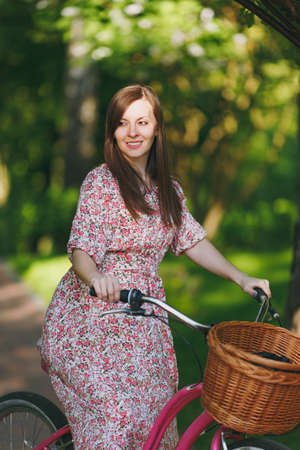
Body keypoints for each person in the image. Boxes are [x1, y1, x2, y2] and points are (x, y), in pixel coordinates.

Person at [40, 84, 271, 449]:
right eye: (122, 123)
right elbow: (81, 249)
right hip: (89, 321)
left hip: (142, 325)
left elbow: (193, 241)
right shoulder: (101, 183)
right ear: (112, 132)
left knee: (155, 424)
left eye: (142, 122)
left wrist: (241, 278)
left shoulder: (169, 190)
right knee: (116, 418)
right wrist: (97, 277)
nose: (133, 132)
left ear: (157, 128)